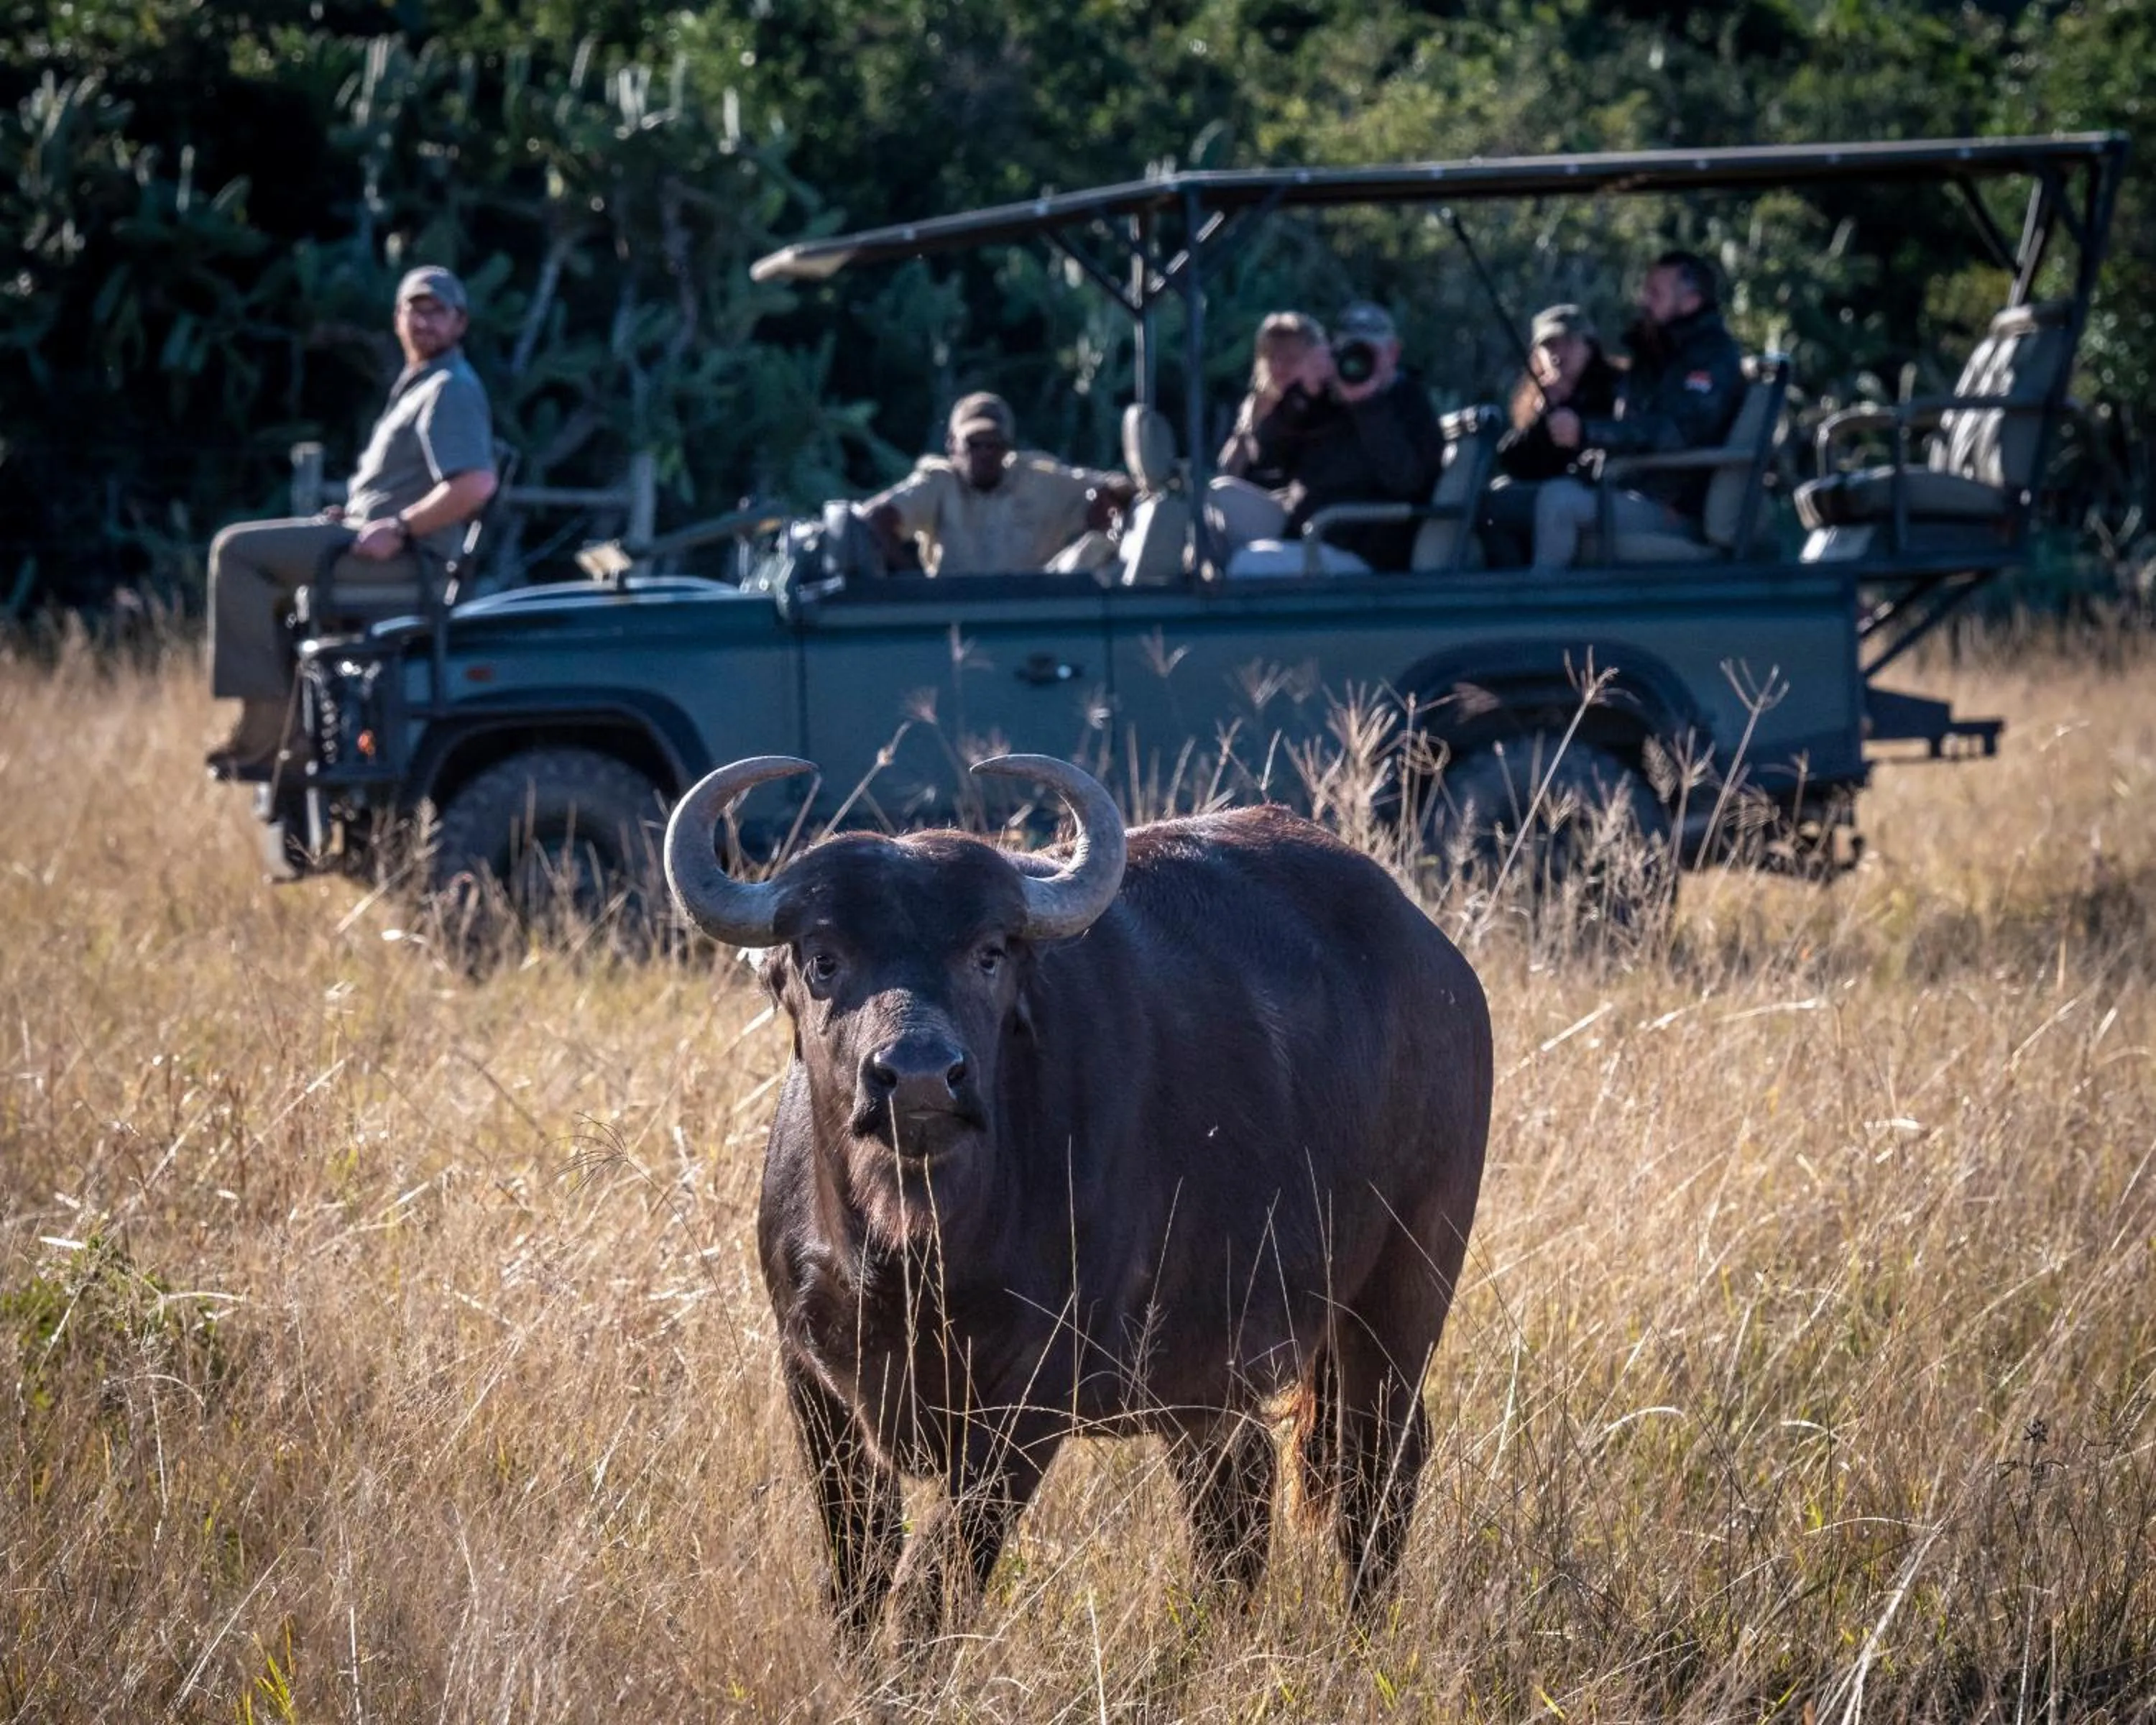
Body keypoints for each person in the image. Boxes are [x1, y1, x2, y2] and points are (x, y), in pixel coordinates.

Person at [205, 266, 497, 778]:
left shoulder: (449, 387)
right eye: (415, 311)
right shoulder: (421, 384)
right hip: (376, 547)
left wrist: (399, 528)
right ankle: (293, 727)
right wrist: (360, 517)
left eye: (437, 312)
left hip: (409, 562)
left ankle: (269, 734)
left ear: (460, 323)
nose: (424, 323)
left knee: (238, 554)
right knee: (260, 569)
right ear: (397, 318)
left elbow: (475, 484)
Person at [1526, 251, 1745, 571]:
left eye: (1655, 293)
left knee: (1558, 501)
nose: (1644, 300)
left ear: (1691, 301)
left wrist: (1588, 432)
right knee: (1506, 502)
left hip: (1672, 505)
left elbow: (1674, 434)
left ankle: (1541, 601)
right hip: (1628, 487)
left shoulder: (1711, 358)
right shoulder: (1655, 353)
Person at [1207, 301, 1446, 574]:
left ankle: (1233, 595)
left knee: (1247, 564)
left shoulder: (1410, 403)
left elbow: (1406, 481)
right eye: (1351, 352)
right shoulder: (1327, 398)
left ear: (1393, 353)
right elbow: (1268, 458)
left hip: (1358, 548)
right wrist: (1303, 394)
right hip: (1302, 526)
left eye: (1369, 353)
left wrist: (1367, 405)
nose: (1358, 362)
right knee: (1216, 498)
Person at [857, 392, 1135, 576]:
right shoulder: (938, 485)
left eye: (994, 444)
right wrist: (914, 582)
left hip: (1031, 614)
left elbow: (1115, 491)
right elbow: (875, 518)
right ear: (952, 445)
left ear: (1008, 446)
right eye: (974, 444)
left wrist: (1107, 524)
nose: (985, 454)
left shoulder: (1039, 481)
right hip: (955, 613)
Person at [1479, 304, 1621, 566]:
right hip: (1552, 487)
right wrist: (1542, 419)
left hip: (1600, 490)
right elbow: (1512, 460)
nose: (1558, 354)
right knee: (1494, 499)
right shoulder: (1543, 396)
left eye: (1568, 343)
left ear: (1589, 346)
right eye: (1549, 346)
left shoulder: (1615, 387)